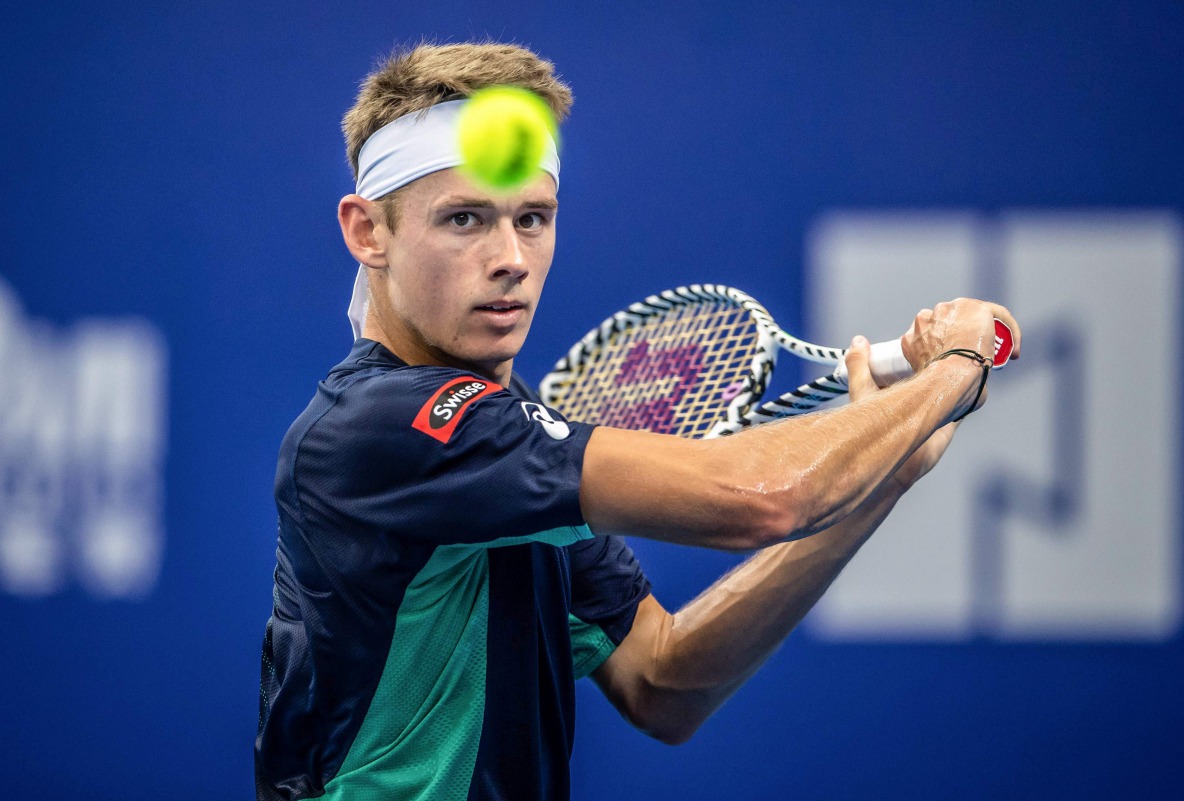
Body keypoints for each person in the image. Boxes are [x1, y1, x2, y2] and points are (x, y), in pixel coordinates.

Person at [254, 42, 1020, 801]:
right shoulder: (380, 428)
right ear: (367, 231)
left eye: (533, 217)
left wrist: (885, 476)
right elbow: (761, 496)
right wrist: (954, 370)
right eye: (464, 219)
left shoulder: (514, 438)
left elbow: (662, 679)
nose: (511, 257)